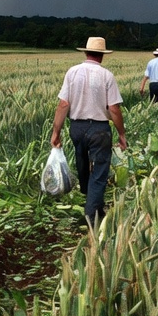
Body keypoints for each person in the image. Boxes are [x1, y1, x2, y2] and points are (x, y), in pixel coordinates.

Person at [51, 36, 127, 226]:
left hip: (76, 127)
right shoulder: (106, 75)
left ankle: (93, 201)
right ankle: (91, 214)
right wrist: (121, 134)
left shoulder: (72, 72)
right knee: (100, 171)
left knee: (82, 165)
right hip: (100, 129)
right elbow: (114, 109)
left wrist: (56, 132)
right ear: (102, 55)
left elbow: (63, 104)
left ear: (85, 52)